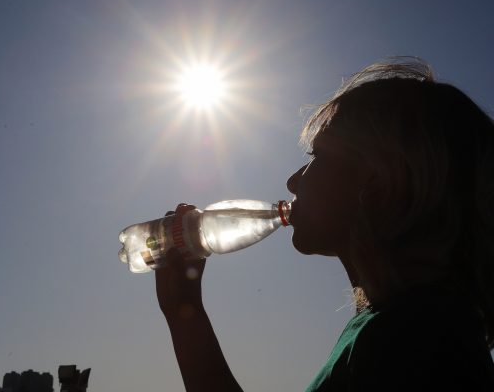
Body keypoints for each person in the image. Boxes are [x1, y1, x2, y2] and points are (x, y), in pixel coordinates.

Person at [155, 58, 494, 391]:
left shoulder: (417, 342)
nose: (292, 182)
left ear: (377, 183)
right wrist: (185, 313)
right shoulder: (390, 326)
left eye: (317, 156)